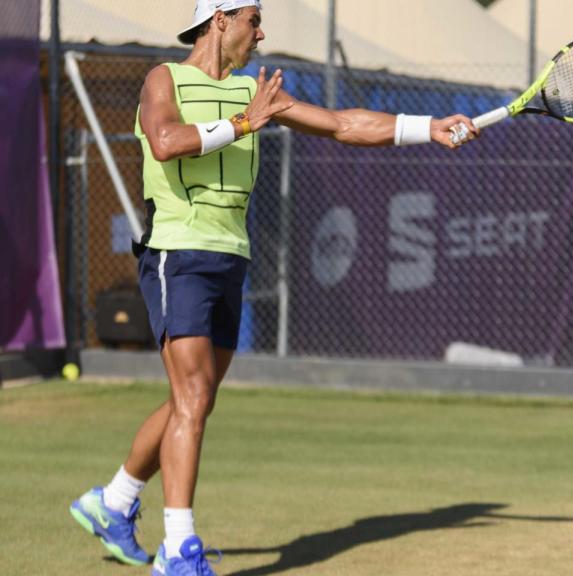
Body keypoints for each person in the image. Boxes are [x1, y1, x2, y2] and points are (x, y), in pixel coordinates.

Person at [68, 2, 477, 575]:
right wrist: (241, 125)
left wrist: (426, 130)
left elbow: (341, 124)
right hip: (177, 253)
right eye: (252, 19)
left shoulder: (253, 92)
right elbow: (164, 141)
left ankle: (112, 502)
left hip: (230, 257)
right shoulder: (165, 77)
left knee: (196, 398)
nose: (261, 33)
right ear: (219, 20)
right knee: (191, 398)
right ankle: (178, 551)